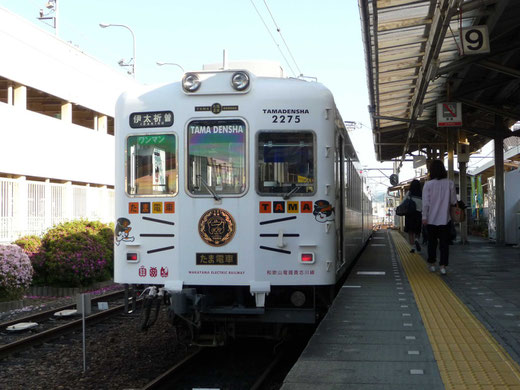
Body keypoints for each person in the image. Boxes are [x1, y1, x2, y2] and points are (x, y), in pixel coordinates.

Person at [421, 160, 457, 275]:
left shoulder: (428, 185)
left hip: (431, 219)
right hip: (445, 219)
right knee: (444, 244)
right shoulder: (450, 183)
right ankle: (443, 266)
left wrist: (424, 217)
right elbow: (453, 201)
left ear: (431, 171)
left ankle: (432, 264)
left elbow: (425, 203)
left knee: (432, 243)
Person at [404, 179, 422, 253]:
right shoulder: (421, 194)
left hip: (409, 215)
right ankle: (417, 240)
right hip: (418, 214)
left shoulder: (409, 193)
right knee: (417, 231)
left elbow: (404, 202)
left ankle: (413, 248)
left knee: (410, 232)